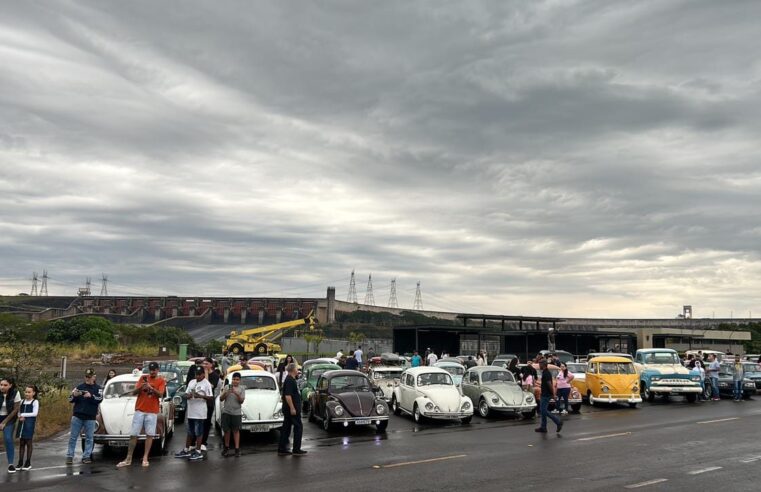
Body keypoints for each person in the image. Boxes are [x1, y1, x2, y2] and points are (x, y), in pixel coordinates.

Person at [117, 362, 167, 468]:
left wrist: (151, 388)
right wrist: (142, 387)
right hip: (140, 409)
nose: (152, 372)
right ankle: (128, 457)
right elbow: (134, 392)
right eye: (151, 370)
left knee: (150, 435)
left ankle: (145, 457)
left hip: (152, 411)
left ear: (158, 370)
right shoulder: (143, 378)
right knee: (133, 434)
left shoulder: (161, 380)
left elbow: (161, 394)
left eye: (154, 370)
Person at [175, 368, 213, 461]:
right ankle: (186, 449)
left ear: (203, 374)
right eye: (196, 374)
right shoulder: (192, 382)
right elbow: (186, 393)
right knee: (190, 431)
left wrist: (200, 396)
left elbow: (211, 397)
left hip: (200, 412)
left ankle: (198, 451)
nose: (197, 376)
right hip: (191, 411)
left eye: (199, 374)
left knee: (199, 431)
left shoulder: (206, 383)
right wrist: (187, 396)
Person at [66, 369, 102, 465]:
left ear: (94, 377)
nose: (87, 378)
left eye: (89, 377)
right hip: (78, 415)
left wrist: (91, 396)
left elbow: (100, 399)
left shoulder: (98, 388)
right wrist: (74, 395)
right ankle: (70, 456)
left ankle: (86, 456)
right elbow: (70, 399)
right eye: (86, 376)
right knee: (73, 437)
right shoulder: (79, 387)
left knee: (89, 438)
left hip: (90, 417)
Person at [278, 363, 306, 456]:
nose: (298, 370)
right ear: (293, 370)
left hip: (289, 408)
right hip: (291, 409)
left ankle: (282, 448)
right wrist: (292, 408)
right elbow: (288, 396)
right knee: (298, 427)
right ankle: (296, 449)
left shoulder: (291, 379)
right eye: (297, 369)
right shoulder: (290, 380)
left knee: (286, 428)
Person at [220, 372, 245, 457]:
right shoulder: (227, 387)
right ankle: (226, 448)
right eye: (234, 379)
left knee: (236, 431)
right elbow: (221, 399)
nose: (235, 381)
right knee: (226, 431)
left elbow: (241, 401)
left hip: (236, 413)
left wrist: (235, 393)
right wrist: (226, 392)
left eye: (237, 380)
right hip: (226, 412)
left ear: (240, 380)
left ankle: (237, 449)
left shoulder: (241, 389)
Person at [16, 384, 39, 471]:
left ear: (33, 393)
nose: (27, 394)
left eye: (29, 392)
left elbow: (34, 413)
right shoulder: (22, 401)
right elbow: (18, 412)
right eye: (26, 392)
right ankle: (20, 462)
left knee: (28, 442)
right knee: (21, 442)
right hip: (21, 423)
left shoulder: (35, 402)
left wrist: (23, 415)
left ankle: (28, 462)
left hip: (29, 424)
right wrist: (19, 416)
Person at [535, 360, 562, 434]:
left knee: (543, 410)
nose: (539, 366)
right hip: (544, 393)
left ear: (543, 365)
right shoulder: (545, 372)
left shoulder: (546, 373)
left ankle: (558, 421)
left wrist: (553, 394)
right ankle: (543, 427)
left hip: (546, 394)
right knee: (543, 410)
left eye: (540, 364)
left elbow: (549, 384)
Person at [0, 377, 21, 473]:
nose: (2, 387)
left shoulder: (15, 393)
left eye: (5, 385)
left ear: (10, 385)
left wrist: (4, 422)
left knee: (8, 439)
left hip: (9, 418)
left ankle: (11, 464)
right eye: (1, 385)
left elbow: (16, 409)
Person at [201, 358, 222, 450]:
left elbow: (208, 386)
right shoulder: (200, 374)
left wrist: (206, 374)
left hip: (209, 402)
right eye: (203, 364)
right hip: (199, 401)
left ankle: (203, 442)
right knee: (198, 422)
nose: (204, 365)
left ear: (211, 364)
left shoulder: (215, 375)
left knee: (206, 422)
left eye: (206, 364)